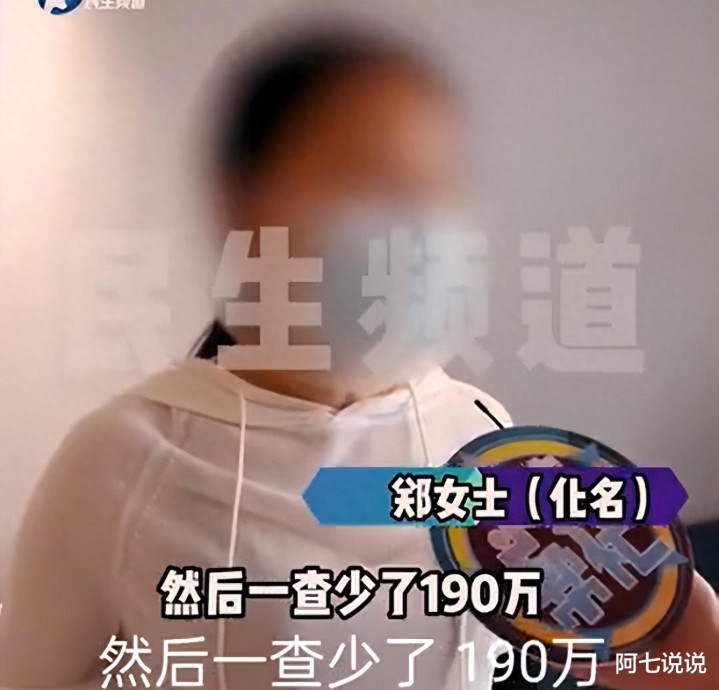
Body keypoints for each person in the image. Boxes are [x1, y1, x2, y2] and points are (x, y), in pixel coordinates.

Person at [0, 19, 717, 690]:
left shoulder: (479, 432)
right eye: (370, 180)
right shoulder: (123, 461)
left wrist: (663, 639)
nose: (414, 230)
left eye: (434, 191)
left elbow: (579, 646)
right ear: (241, 200)